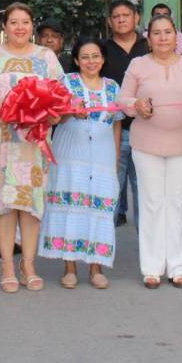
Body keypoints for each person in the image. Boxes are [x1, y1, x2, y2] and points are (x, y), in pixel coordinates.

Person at [0, 2, 65, 294]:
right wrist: (11, 113)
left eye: (25, 22)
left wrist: (51, 113)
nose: (19, 27)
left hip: (35, 142)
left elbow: (59, 93)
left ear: (32, 25)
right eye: (13, 22)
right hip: (2, 139)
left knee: (31, 205)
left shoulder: (45, 56)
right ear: (5, 26)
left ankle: (28, 265)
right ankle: (7, 266)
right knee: (5, 204)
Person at [123, 14, 182, 288]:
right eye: (156, 33)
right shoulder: (137, 64)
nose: (162, 38)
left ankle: (179, 266)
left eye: (167, 32)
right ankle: (151, 267)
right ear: (148, 38)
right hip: (146, 144)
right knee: (151, 203)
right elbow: (122, 100)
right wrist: (136, 104)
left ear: (177, 36)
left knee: (177, 201)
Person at [39, 35, 122, 290]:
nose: (91, 61)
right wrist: (69, 111)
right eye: (85, 57)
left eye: (95, 56)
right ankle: (70, 268)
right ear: (76, 60)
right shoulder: (65, 83)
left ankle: (96, 268)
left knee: (99, 210)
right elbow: (54, 118)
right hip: (69, 155)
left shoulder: (113, 87)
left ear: (103, 59)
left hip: (102, 156)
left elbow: (117, 124)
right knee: (70, 209)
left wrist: (115, 159)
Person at [101, 0, 148, 228]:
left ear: (136, 17)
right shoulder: (102, 50)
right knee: (111, 188)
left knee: (143, 190)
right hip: (112, 130)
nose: (121, 20)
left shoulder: (150, 46)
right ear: (110, 22)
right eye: (116, 16)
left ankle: (147, 245)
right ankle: (104, 243)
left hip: (146, 129)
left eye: (126, 15)